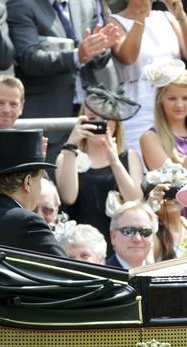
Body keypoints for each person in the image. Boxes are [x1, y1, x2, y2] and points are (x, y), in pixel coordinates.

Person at [9, 0, 118, 137]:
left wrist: (99, 48)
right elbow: (29, 59)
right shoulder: (21, 5)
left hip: (90, 114)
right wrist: (78, 56)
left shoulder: (85, 3)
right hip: (49, 117)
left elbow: (99, 55)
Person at [110, 0, 187, 153]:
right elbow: (127, 57)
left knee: (180, 155)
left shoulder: (166, 17)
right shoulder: (114, 21)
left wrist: (180, 14)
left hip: (174, 100)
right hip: (139, 104)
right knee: (140, 159)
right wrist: (141, 16)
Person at [55, 87, 144, 248]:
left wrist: (115, 162)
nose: (100, 124)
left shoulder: (129, 157)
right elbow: (68, 197)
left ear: (116, 123)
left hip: (121, 244)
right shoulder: (66, 156)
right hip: (81, 246)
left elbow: (136, 201)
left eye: (106, 118)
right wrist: (71, 146)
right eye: (93, 118)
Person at [0, 129, 66, 256]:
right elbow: (67, 269)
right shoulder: (27, 222)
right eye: (38, 181)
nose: (39, 189)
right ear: (28, 182)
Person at [141, 162, 187, 261]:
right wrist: (149, 209)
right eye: (165, 193)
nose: (172, 199)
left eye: (176, 191)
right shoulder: (150, 231)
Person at [106, 200, 157, 269]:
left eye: (145, 231)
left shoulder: (159, 275)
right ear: (113, 237)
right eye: (129, 231)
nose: (137, 239)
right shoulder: (98, 276)